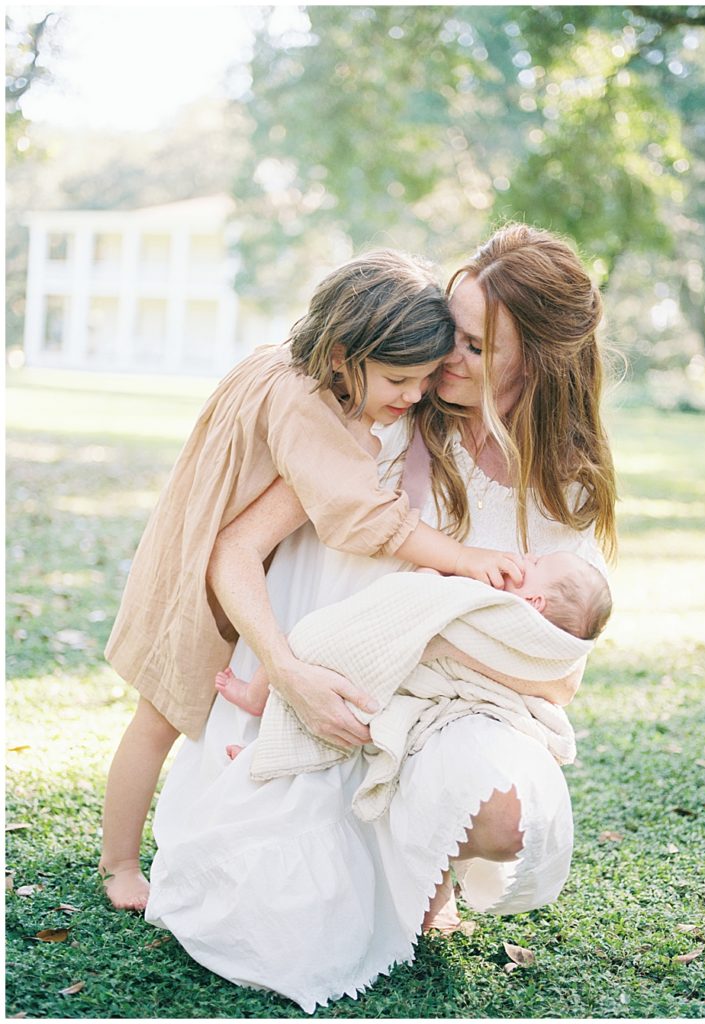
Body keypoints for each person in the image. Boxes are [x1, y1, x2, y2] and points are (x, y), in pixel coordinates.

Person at [143, 222, 618, 1012]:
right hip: (313, 688)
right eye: (446, 329)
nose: (442, 360)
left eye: (471, 345)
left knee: (504, 820)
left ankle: (421, 861)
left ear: (530, 359)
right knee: (267, 926)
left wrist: (420, 644)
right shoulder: (384, 417)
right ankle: (390, 866)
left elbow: (557, 676)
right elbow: (233, 551)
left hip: (442, 704)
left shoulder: (563, 484)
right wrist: (289, 672)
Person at [99, 249, 524, 911]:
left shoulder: (290, 369)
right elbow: (356, 516)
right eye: (398, 381)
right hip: (200, 574)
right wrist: (463, 559)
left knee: (173, 715)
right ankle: (119, 863)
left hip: (220, 555)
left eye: (420, 379)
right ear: (340, 355)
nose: (413, 397)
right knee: (158, 717)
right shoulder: (306, 408)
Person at [214, 548, 612, 731]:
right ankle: (260, 725)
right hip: (386, 653)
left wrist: (430, 578)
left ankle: (256, 702)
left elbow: (437, 603)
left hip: (386, 662)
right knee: (327, 686)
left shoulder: (497, 610)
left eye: (536, 564)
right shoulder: (513, 623)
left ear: (534, 601)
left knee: (307, 642)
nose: (526, 558)